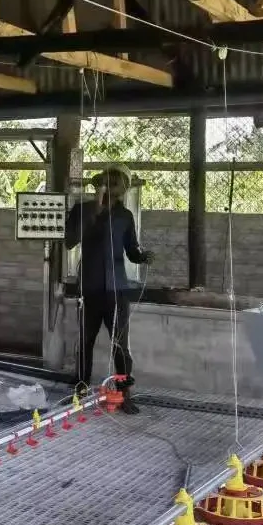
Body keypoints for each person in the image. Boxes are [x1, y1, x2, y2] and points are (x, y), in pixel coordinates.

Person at [64, 164, 153, 414]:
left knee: (120, 344)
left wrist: (142, 257)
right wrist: (95, 208)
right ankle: (80, 390)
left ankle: (124, 393)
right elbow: (69, 241)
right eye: (106, 181)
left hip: (117, 289)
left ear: (124, 188)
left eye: (116, 181)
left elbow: (131, 251)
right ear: (97, 185)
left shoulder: (125, 217)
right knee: (85, 341)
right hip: (89, 286)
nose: (111, 185)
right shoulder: (82, 210)